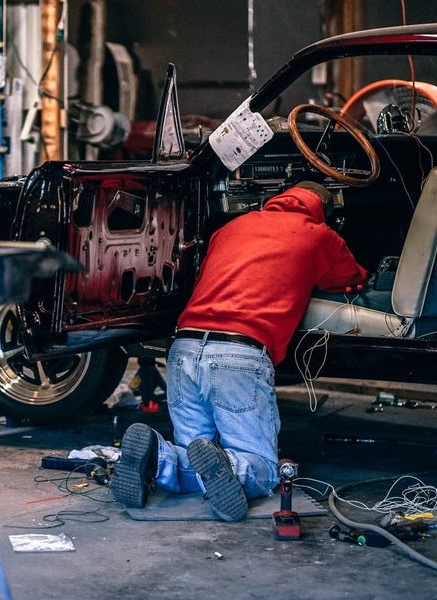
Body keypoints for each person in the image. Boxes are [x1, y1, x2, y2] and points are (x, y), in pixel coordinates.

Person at [110, 181, 367, 521]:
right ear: (324, 210)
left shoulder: (231, 227)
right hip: (239, 354)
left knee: (193, 456)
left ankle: (157, 458)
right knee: (262, 467)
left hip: (183, 348)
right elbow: (352, 279)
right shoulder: (320, 235)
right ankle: (231, 462)